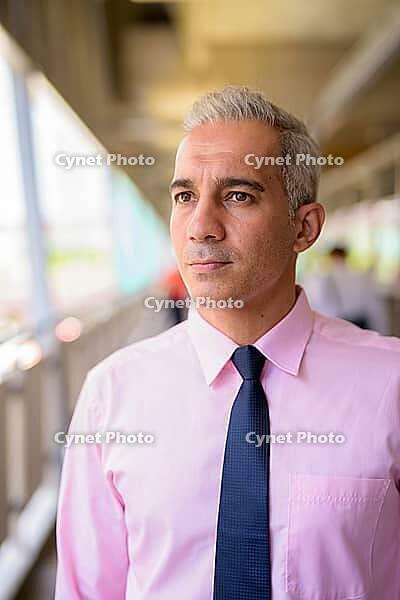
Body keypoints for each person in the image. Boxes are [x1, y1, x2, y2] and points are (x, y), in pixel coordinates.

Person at [55, 86, 400, 599]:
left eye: (238, 195)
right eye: (185, 197)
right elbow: (87, 590)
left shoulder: (390, 385)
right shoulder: (113, 395)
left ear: (303, 227)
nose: (201, 226)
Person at [304, 245, 390, 333]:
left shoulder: (323, 278)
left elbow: (319, 303)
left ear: (331, 257)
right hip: (360, 322)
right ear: (345, 256)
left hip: (338, 323)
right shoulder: (359, 276)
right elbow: (372, 305)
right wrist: (381, 330)